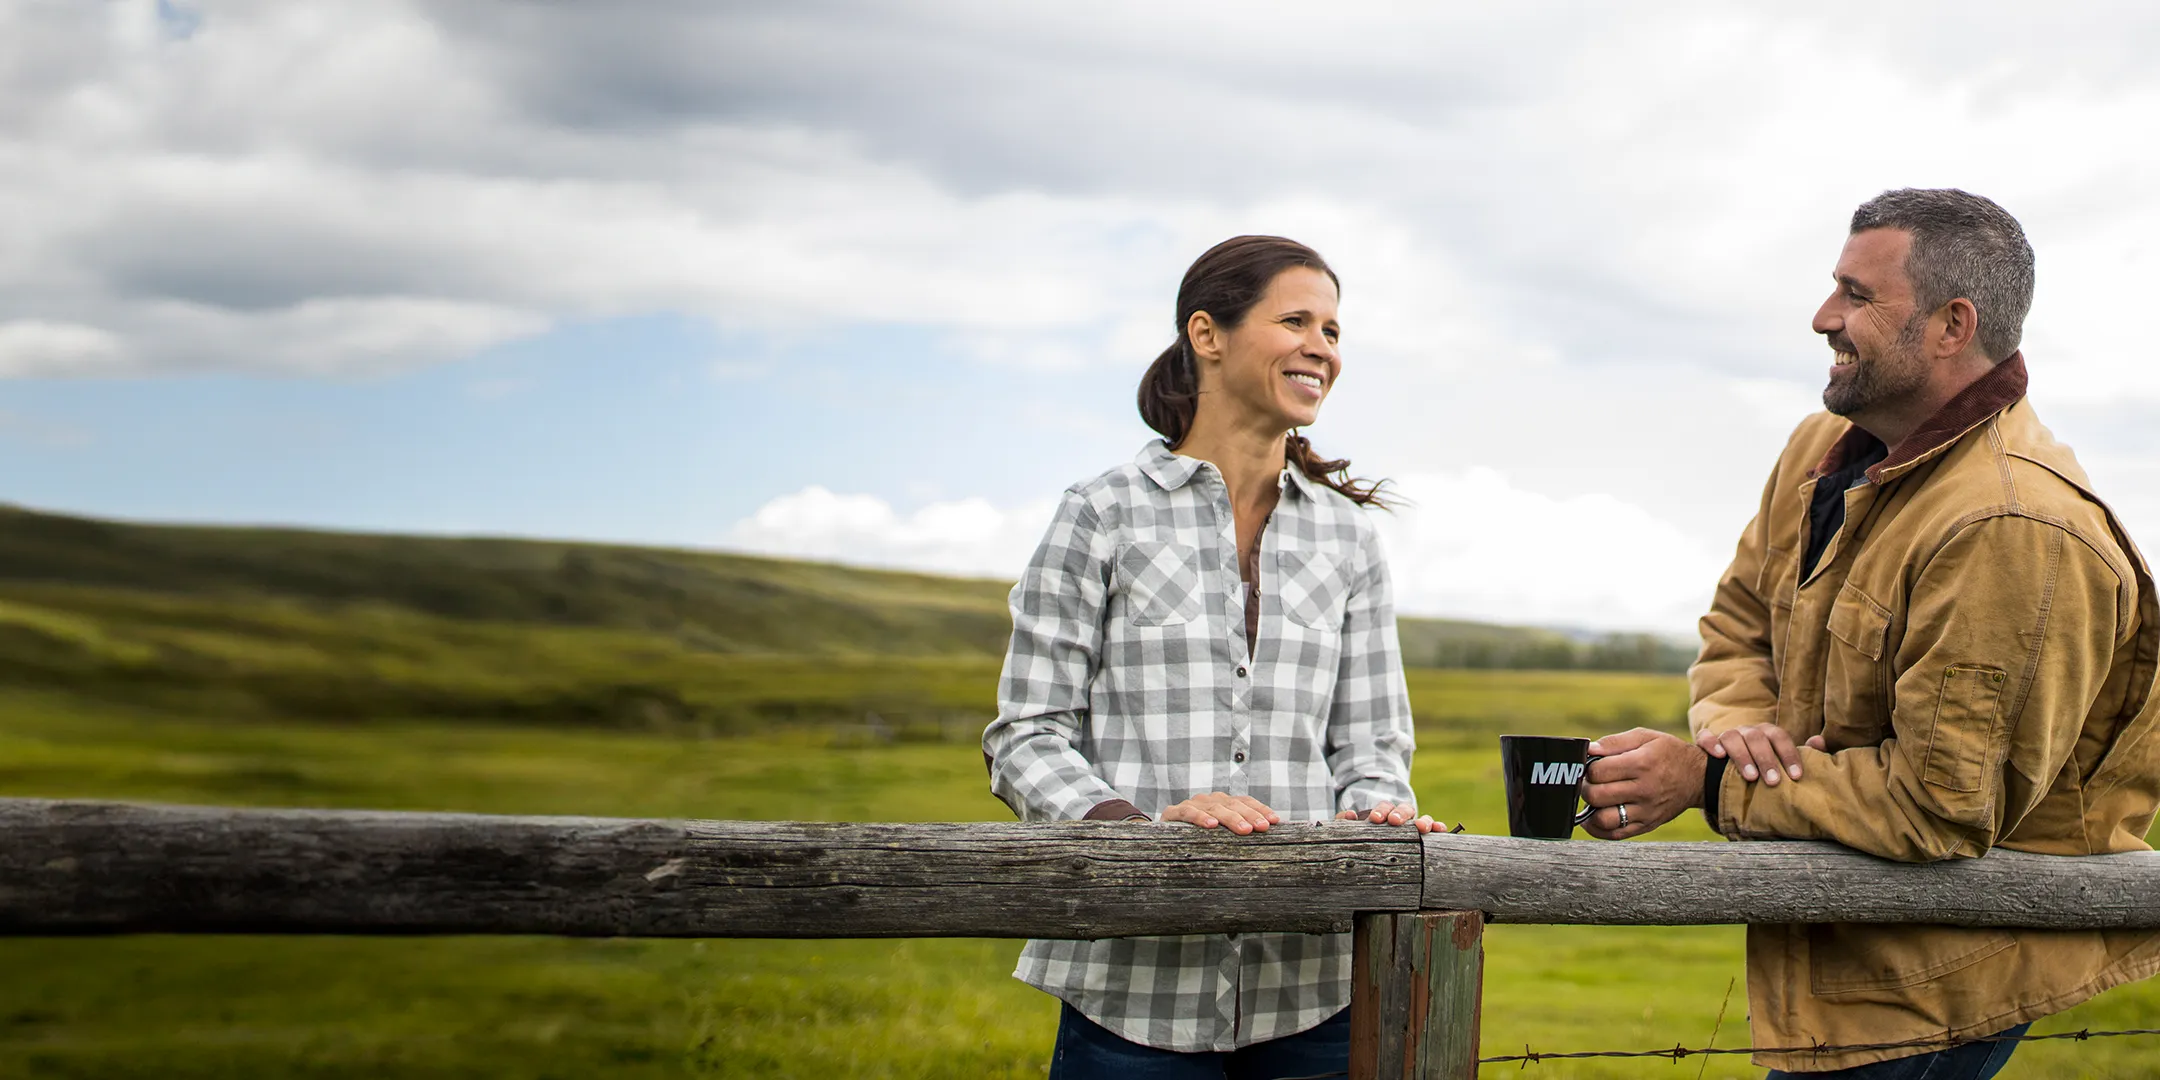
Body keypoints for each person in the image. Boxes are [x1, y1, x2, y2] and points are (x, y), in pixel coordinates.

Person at [1577, 188, 2160, 1077]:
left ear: (1951, 324)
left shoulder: (2009, 526)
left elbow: (1939, 806)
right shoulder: (1823, 446)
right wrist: (1742, 732)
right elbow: (1739, 622)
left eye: (1856, 295)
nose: (1823, 317)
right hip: (1838, 961)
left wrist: (1711, 779)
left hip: (1935, 982)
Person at [982, 235, 1433, 1079]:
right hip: (1131, 992)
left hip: (1315, 990)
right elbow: (1027, 736)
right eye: (1295, 320)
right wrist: (1140, 838)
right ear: (1207, 334)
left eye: (1333, 331)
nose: (1322, 349)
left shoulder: (1348, 537)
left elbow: (1373, 747)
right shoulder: (1100, 514)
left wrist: (1378, 817)